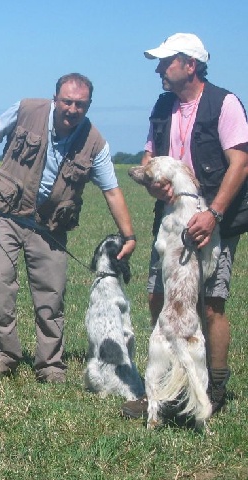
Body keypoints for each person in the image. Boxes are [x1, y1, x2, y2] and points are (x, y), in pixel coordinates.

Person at [0, 73, 137, 383]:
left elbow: (112, 190)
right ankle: (4, 354)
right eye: (67, 102)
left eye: (81, 105)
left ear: (88, 106)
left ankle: (50, 364)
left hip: (49, 227)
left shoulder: (95, 142)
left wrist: (128, 234)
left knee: (51, 295)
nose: (73, 109)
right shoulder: (26, 109)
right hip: (6, 215)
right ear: (55, 99)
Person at [121, 34, 248, 419]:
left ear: (190, 65)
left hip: (214, 220)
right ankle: (160, 390)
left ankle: (215, 388)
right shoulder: (162, 106)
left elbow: (240, 163)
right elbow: (147, 158)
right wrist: (152, 185)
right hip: (171, 220)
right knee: (158, 298)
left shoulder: (224, 103)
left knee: (210, 305)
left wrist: (214, 215)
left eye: (166, 62)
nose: (159, 69)